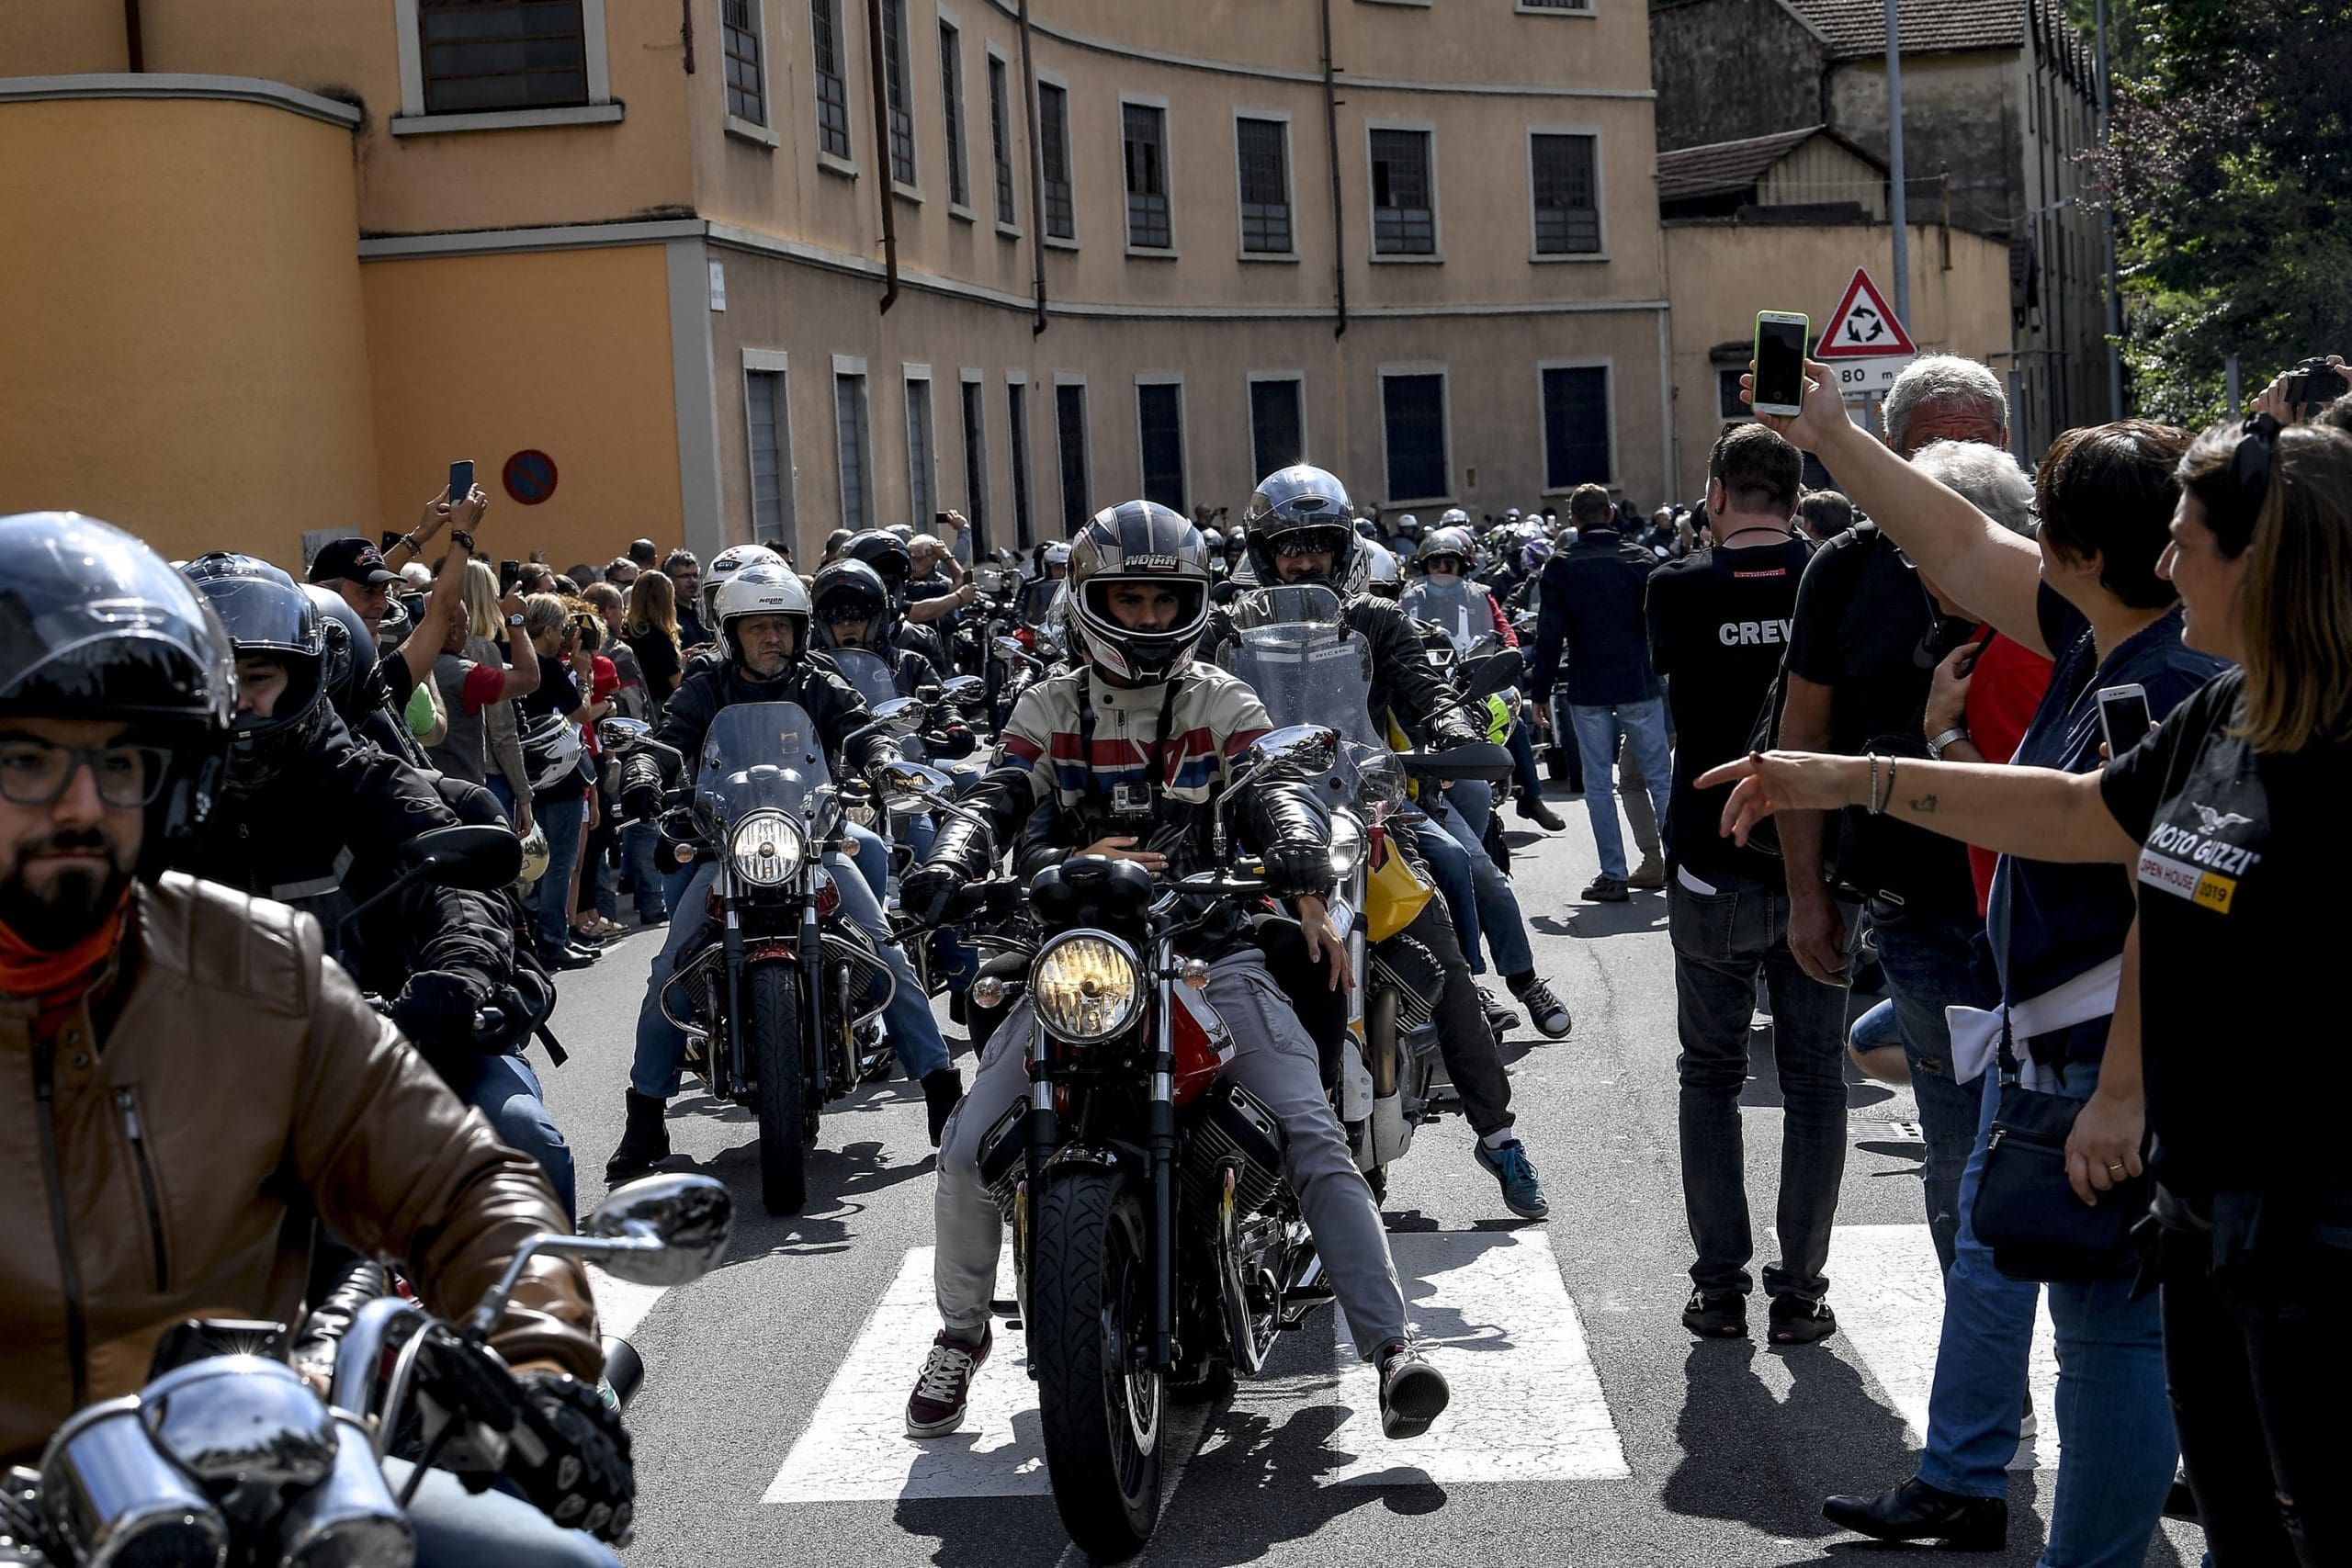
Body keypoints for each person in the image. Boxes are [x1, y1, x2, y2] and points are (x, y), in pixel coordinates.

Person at [1706, 398, 2349, 1564]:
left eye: (2187, 542)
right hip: (2214, 1206)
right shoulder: (2223, 705)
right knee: (2240, 1508)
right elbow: (2085, 814)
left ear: (2271, 563)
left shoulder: (2255, 709)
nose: (2165, 563)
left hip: (2310, 1214)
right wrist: (1850, 776)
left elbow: (2148, 909)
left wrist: (2119, 1089)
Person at [0, 513, 626, 1563]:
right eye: (26, 760)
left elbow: (462, 1187)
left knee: (565, 1561)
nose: (79, 805)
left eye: (121, 765)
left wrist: (545, 1371)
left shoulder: (260, 970)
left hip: (260, 1479)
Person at [898, 501, 1453, 1442]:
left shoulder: (1219, 698)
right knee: (962, 1149)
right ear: (1089, 602)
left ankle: (1393, 1348)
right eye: (1130, 599)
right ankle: (958, 1333)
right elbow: (999, 790)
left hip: (1207, 949)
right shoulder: (1048, 704)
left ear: (1194, 603)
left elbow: (1269, 783)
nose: (1149, 618)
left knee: (1312, 1129)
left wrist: (1292, 847)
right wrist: (950, 857)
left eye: (1167, 600)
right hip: (1077, 961)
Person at [1216, 465, 1563, 1213]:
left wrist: (1453, 731)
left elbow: (1425, 687)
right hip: (1265, 821)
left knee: (1444, 909)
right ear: (1262, 550)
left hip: (1363, 810)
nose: (1304, 559)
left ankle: (1500, 1136)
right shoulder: (1230, 624)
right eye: (1288, 547)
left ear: (1342, 550)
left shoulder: (1377, 618)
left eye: (1318, 545)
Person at [605, 563, 962, 1182]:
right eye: (757, 627)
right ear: (732, 634)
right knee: (669, 968)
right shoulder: (705, 686)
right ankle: (645, 1113)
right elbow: (668, 739)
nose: (771, 638)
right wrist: (643, 772)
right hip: (728, 847)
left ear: (800, 631)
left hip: (813, 841)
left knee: (885, 949)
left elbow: (859, 730)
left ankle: (941, 1092)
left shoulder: (819, 682)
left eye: (781, 626)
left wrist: (880, 759)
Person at [1780, 355, 2009, 1276]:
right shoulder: (1844, 569)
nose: (1954, 468)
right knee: (1956, 1151)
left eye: (1976, 443)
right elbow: (1802, 737)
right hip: (1922, 908)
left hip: (2060, 907)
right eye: (1930, 447)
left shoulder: (2054, 557)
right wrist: (1807, 896)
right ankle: (1990, 1391)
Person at [1646, 423, 1850, 1347]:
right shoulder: (1834, 575)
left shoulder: (1676, 587)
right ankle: (1801, 1290)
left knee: (1711, 1076)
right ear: (1797, 494)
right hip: (1827, 860)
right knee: (1813, 1081)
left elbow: (1671, 682)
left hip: (1708, 858)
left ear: (1717, 495)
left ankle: (1717, 1288)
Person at [1531, 483, 1671, 900]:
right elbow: (1660, 628)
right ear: (1611, 515)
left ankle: (1613, 873)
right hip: (1638, 681)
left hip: (1588, 684)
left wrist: (1539, 691)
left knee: (1598, 782)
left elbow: (1550, 634)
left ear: (1574, 519)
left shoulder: (1562, 564)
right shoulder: (1640, 560)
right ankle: (1679, 865)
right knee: (1661, 779)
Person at [516, 595, 610, 971]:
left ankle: (555, 935)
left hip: (532, 773)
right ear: (550, 629)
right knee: (560, 863)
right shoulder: (550, 668)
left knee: (542, 864)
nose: (565, 637)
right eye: (562, 630)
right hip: (561, 772)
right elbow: (581, 713)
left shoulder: (518, 662)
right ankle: (554, 939)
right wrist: (585, 680)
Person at [622, 568, 685, 705]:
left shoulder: (625, 630)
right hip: (660, 705)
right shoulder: (659, 637)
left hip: (636, 702)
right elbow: (677, 683)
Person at [664, 549, 709, 649]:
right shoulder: (665, 613)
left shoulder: (704, 609)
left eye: (695, 575)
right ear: (670, 580)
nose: (692, 581)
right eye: (685, 576)